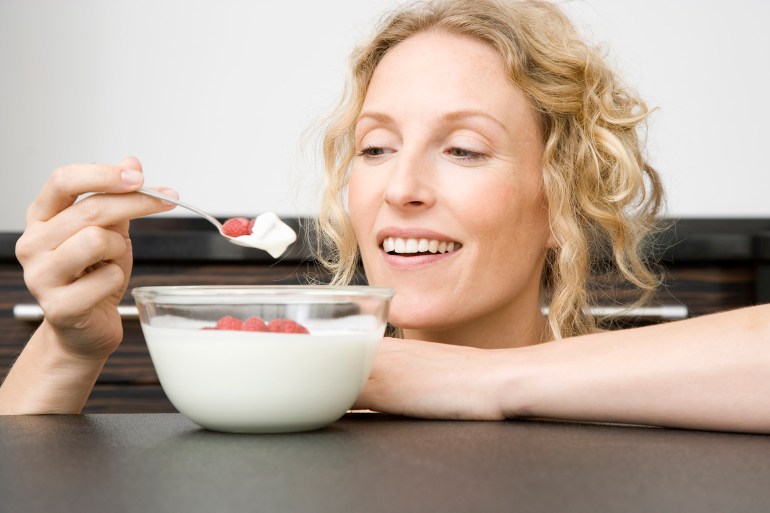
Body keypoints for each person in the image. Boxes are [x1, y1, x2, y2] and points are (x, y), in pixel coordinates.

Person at [1, 0, 768, 432]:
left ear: (563, 198)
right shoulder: (286, 403)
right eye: (375, 148)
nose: (401, 187)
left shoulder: (646, 409)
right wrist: (69, 347)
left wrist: (476, 381)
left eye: (463, 150)